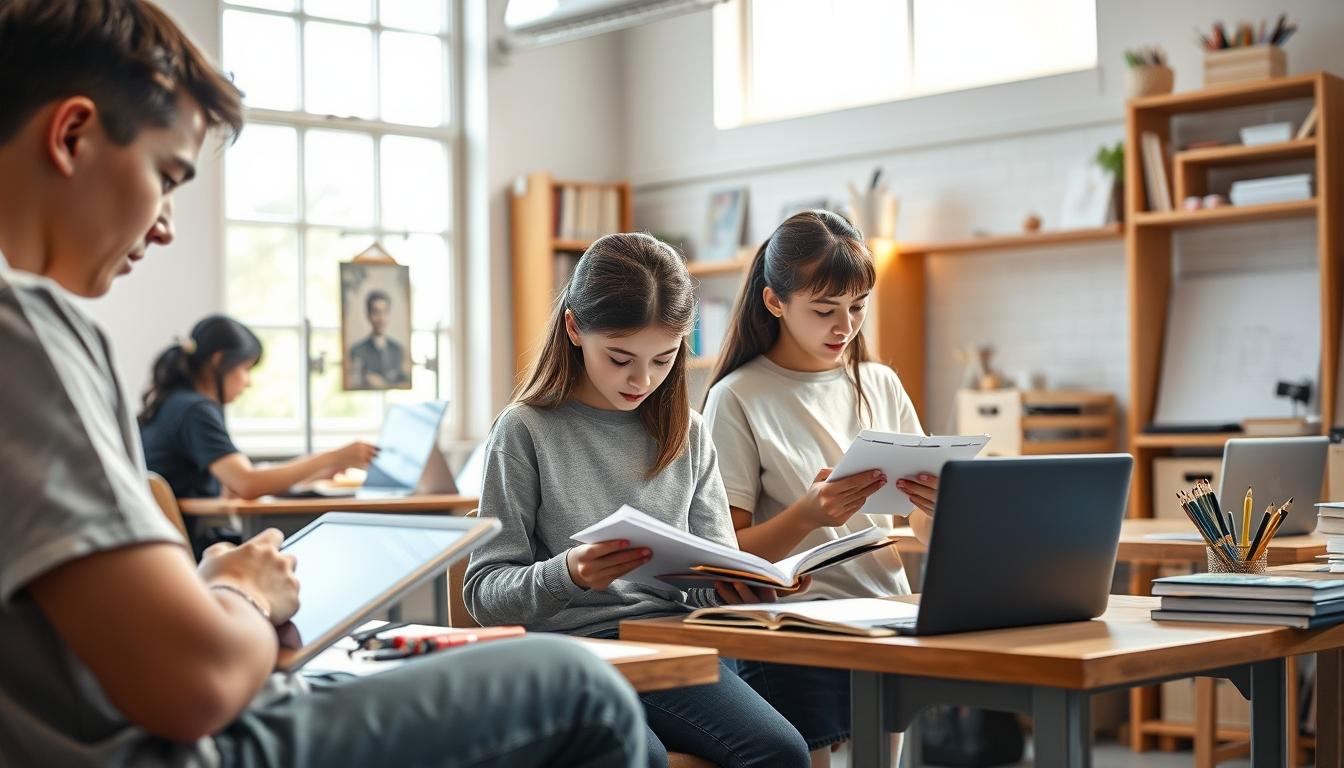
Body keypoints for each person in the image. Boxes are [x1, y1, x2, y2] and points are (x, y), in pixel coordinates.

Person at [0, 2, 646, 765]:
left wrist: (212, 598)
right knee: (578, 686)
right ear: (72, 134)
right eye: (166, 176)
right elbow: (196, 682)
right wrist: (244, 592)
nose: (166, 223)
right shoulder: (27, 326)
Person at [464, 233, 811, 768]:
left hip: (666, 648)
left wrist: (738, 589)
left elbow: (704, 587)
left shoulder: (688, 433)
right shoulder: (524, 430)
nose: (641, 380)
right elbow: (484, 593)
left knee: (782, 752)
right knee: (635, 754)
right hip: (570, 653)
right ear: (575, 327)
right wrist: (570, 574)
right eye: (621, 358)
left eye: (664, 359)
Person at [702, 210, 939, 766]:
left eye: (858, 307)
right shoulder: (737, 397)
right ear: (774, 302)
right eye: (825, 310)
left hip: (885, 613)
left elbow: (918, 523)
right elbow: (725, 555)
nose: (845, 327)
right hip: (792, 626)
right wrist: (809, 514)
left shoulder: (878, 382)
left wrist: (943, 508)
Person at [347, 289, 408, 388]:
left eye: (385, 312)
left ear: (389, 314)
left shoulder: (398, 350)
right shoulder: (357, 350)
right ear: (368, 316)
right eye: (376, 312)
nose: (381, 318)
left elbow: (404, 381)